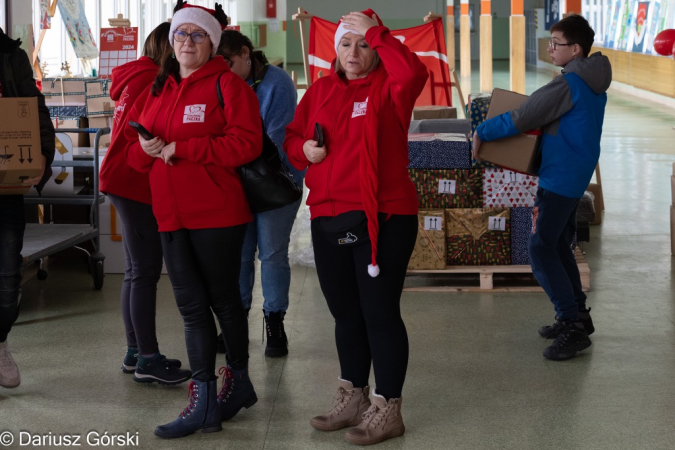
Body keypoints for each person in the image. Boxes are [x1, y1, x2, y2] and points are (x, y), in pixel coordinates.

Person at [283, 9, 428, 446]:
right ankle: (352, 395)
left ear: (376, 48)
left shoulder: (391, 88)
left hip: (383, 216)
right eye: (346, 43)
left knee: (379, 314)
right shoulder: (321, 90)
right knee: (345, 314)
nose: (353, 52)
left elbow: (414, 70)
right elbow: (292, 136)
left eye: (363, 44)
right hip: (327, 215)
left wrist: (378, 33)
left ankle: (387, 408)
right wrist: (303, 150)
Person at [125, 2, 261, 439]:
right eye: (180, 34)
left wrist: (185, 149)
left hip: (218, 213)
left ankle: (236, 381)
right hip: (171, 216)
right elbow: (135, 153)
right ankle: (204, 397)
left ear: (212, 43)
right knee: (190, 308)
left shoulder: (228, 85)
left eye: (197, 35)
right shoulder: (159, 90)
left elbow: (245, 144)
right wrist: (144, 152)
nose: (186, 42)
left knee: (223, 301)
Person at [472, 14, 611, 361]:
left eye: (556, 43)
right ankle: (577, 314)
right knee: (558, 244)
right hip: (573, 172)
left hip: (559, 178)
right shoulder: (592, 81)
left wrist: (482, 132)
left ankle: (572, 327)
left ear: (575, 48)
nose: (549, 48)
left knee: (540, 248)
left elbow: (525, 115)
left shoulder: (569, 85)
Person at [99, 22, 191, 385]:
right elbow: (147, 134)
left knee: (137, 270)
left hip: (120, 178)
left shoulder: (136, 75)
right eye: (181, 41)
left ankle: (136, 351)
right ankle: (147, 358)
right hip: (130, 180)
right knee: (144, 271)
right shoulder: (150, 80)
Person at [216, 30, 301, 357]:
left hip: (274, 183)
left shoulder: (277, 83)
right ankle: (235, 323)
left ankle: (275, 321)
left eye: (229, 61)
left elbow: (274, 140)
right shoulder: (222, 82)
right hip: (236, 182)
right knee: (238, 256)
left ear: (246, 53)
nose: (223, 68)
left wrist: (232, 148)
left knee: (272, 254)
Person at [0, 28, 55, 389]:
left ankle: (0, 340)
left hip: (6, 187)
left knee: (6, 278)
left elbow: (34, 109)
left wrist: (44, 158)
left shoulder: (10, 55)